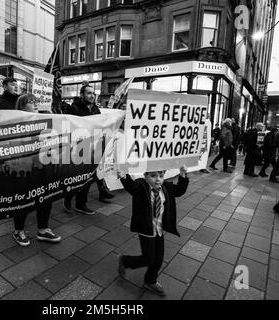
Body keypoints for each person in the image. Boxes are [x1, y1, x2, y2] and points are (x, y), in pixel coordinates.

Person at [117, 166, 189, 297]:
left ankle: (150, 281)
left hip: (159, 229)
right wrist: (123, 176)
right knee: (148, 259)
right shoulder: (141, 186)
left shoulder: (165, 187)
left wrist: (183, 175)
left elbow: (179, 191)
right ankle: (125, 261)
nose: (158, 180)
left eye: (161, 176)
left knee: (158, 259)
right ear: (146, 176)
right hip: (146, 229)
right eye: (153, 176)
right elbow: (132, 187)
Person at [11, 94, 61, 246]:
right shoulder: (12, 120)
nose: (36, 104)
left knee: (46, 196)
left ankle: (43, 229)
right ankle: (18, 230)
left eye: (36, 101)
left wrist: (53, 119)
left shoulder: (45, 118)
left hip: (43, 165)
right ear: (21, 106)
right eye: (31, 102)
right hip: (24, 167)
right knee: (24, 197)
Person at [63, 85, 112, 215]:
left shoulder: (96, 109)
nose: (92, 96)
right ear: (82, 94)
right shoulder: (74, 108)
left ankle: (81, 204)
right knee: (74, 177)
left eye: (93, 93)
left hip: (91, 148)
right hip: (76, 148)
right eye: (89, 93)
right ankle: (67, 200)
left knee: (88, 177)